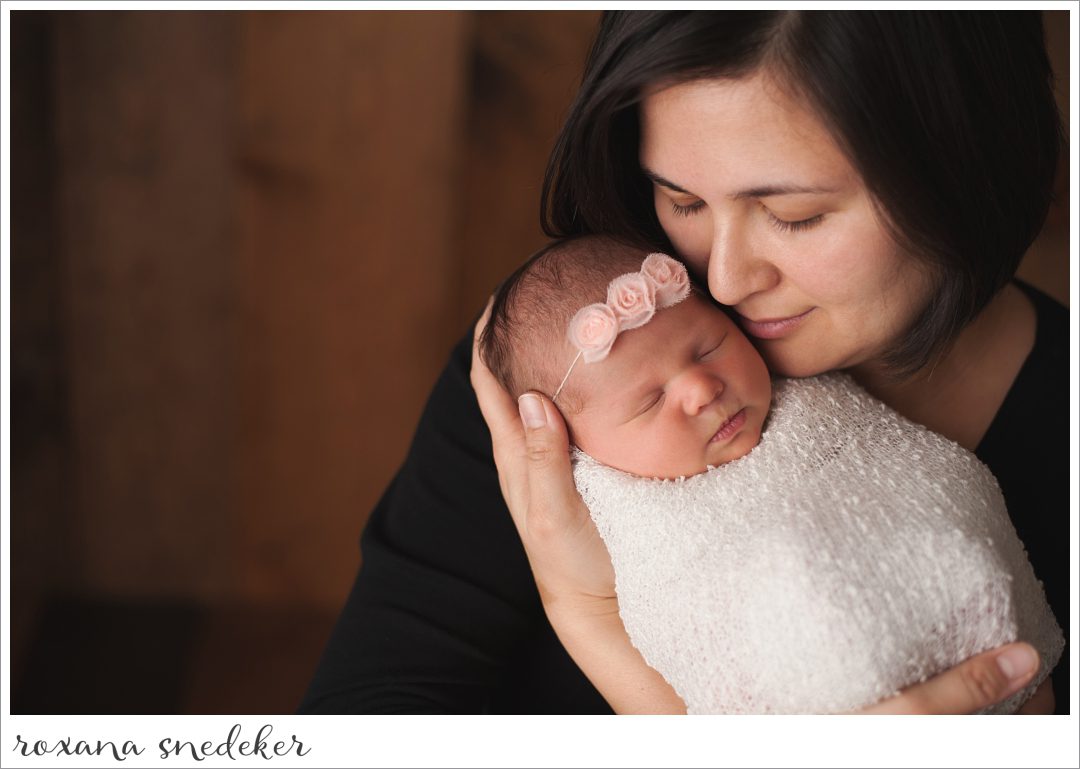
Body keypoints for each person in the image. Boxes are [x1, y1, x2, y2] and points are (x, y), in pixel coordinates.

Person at [300, 11, 1067, 714]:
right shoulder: (567, 382)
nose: (724, 278)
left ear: (965, 159)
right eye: (684, 201)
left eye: (794, 215)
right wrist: (589, 613)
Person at [477, 236, 1062, 714]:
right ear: (575, 447)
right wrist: (582, 602)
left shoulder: (812, 391)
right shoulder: (598, 508)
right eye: (649, 401)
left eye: (708, 349)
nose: (701, 388)